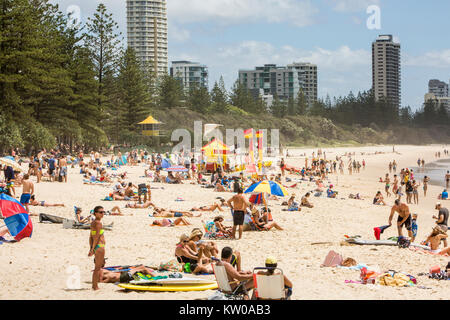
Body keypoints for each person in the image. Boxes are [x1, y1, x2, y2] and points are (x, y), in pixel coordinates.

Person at [88, 206, 106, 290]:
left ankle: (95, 285)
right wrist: (92, 249)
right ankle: (95, 286)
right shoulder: (98, 223)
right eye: (100, 212)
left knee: (98, 266)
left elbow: (91, 237)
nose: (102, 214)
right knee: (98, 268)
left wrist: (91, 248)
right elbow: (96, 237)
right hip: (100, 246)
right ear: (95, 213)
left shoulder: (93, 222)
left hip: (96, 247)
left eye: (103, 212)